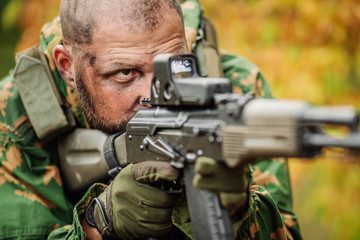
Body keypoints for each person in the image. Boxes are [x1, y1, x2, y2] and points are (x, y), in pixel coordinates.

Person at [0, 0, 301, 239]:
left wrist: (241, 212)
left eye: (171, 66)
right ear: (67, 66)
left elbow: (286, 233)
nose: (153, 94)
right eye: (124, 73)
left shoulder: (235, 87)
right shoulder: (12, 117)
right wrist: (98, 225)